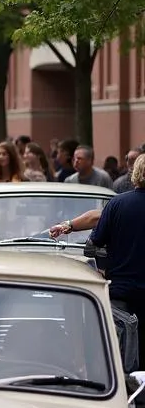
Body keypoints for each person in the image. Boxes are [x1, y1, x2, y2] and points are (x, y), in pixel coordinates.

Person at [84, 154, 145, 363]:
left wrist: (101, 269)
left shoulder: (117, 204)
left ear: (135, 174)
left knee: (118, 355)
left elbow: (94, 244)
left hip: (121, 293)